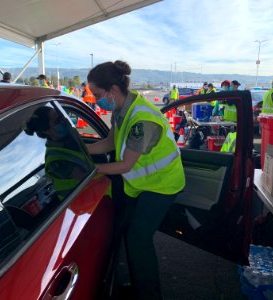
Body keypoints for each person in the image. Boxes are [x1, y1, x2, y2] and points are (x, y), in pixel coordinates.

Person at [86, 60, 185, 299]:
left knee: (138, 239)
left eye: (97, 94)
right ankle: (139, 285)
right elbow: (109, 143)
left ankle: (149, 294)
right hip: (140, 184)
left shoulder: (141, 121)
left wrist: (91, 169)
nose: (95, 99)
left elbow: (125, 165)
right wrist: (78, 148)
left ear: (112, 90)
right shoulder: (121, 109)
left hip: (162, 185)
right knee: (131, 235)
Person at [24, 106, 93, 200]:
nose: (63, 120)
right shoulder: (56, 161)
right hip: (82, 203)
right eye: (57, 121)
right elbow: (88, 176)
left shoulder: (66, 139)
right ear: (46, 130)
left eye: (61, 116)